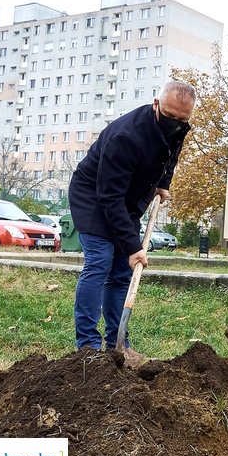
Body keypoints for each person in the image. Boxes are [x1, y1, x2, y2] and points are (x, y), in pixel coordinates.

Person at [68, 80, 195, 357]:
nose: (175, 124)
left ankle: (119, 344)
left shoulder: (179, 126)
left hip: (126, 199)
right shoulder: (126, 137)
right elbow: (109, 198)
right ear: (156, 104)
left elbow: (171, 154)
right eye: (170, 116)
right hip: (93, 196)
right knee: (100, 260)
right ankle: (87, 345)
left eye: (182, 119)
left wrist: (163, 182)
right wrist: (133, 247)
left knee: (121, 272)